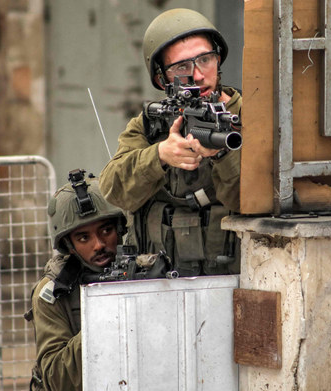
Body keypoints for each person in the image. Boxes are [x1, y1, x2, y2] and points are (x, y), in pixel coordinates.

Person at [99, 8, 242, 277]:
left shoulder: (253, 117)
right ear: (161, 78)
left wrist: (222, 155)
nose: (198, 75)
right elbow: (113, 189)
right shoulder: (150, 125)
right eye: (182, 67)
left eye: (205, 59)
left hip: (234, 278)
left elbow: (256, 203)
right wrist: (160, 156)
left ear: (219, 58)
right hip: (160, 280)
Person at [26, 171, 127, 391]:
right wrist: (104, 315)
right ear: (69, 246)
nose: (99, 244)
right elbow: (57, 378)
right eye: (84, 238)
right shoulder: (52, 292)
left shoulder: (138, 275)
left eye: (106, 230)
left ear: (119, 230)